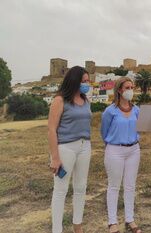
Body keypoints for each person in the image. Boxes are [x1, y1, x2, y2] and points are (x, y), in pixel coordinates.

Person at [48, 66, 92, 233]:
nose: (87, 84)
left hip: (84, 146)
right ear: (74, 81)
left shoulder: (86, 100)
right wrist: (55, 157)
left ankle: (77, 226)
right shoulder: (60, 100)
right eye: (84, 81)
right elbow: (51, 129)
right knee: (61, 190)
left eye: (88, 81)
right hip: (65, 147)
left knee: (81, 187)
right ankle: (57, 230)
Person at [100, 77, 142, 233]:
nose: (130, 90)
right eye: (127, 87)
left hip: (134, 150)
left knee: (130, 186)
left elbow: (140, 128)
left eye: (132, 87)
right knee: (114, 186)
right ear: (119, 90)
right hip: (115, 150)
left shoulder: (137, 110)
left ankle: (130, 219)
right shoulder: (110, 111)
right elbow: (104, 132)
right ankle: (112, 222)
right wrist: (113, 143)